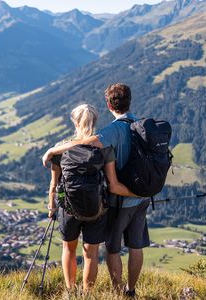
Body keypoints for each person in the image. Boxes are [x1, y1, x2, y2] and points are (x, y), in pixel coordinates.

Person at [43, 84, 150, 298]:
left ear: (74, 121)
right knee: (91, 254)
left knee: (69, 249)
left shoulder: (62, 148)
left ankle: (70, 292)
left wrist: (52, 206)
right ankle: (88, 293)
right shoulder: (105, 149)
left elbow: (54, 185)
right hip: (97, 209)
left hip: (69, 208)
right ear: (94, 121)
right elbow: (112, 183)